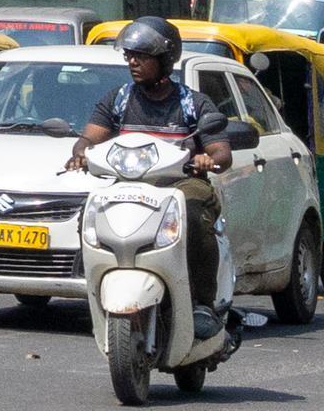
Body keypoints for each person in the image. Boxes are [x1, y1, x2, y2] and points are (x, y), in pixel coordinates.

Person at [66, 17, 239, 336]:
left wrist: (206, 158)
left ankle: (202, 303)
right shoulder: (117, 100)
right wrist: (81, 151)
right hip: (127, 184)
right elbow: (91, 137)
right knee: (89, 213)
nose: (132, 62)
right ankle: (97, 285)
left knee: (194, 211)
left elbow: (222, 153)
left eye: (141, 56)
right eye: (129, 55)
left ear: (165, 60)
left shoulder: (193, 103)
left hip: (179, 185)